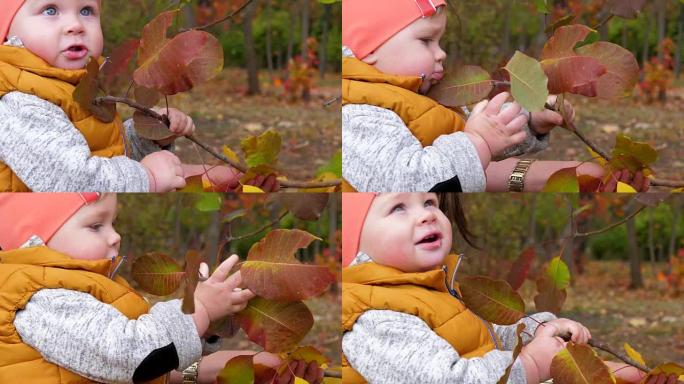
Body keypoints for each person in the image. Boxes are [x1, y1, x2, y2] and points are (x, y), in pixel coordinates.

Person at [341, 193, 674, 383]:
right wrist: (530, 365)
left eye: (430, 202)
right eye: (398, 207)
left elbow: (486, 336)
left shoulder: (436, 290)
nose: (427, 215)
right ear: (358, 244)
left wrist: (539, 328)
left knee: (614, 374)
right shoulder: (374, 319)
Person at [0, 193, 322, 383]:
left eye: (113, 223)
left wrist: (204, 365)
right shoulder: (38, 300)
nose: (115, 236)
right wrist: (201, 309)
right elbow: (129, 356)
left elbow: (145, 365)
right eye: (96, 225)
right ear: (33, 241)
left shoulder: (90, 289)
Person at [341, 0, 650, 192]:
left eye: (440, 40)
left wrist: (529, 122)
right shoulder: (359, 113)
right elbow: (405, 181)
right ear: (369, 50)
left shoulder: (419, 99)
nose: (441, 54)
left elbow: (477, 148)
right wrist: (479, 142)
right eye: (426, 41)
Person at [0, 0, 271, 192]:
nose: (75, 25)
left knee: (233, 178)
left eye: (86, 10)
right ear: (7, 32)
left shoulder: (76, 85)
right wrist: (148, 178)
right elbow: (70, 180)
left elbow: (108, 152)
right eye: (50, 10)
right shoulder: (17, 102)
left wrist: (148, 135)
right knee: (214, 180)